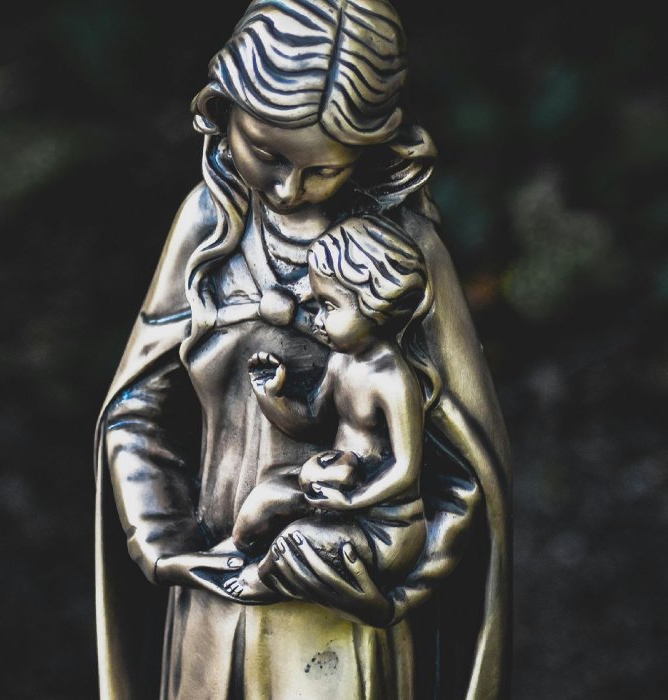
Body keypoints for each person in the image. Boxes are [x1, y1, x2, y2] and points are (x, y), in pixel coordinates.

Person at [94, 1, 511, 698]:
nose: (289, 189)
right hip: (215, 594)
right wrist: (168, 545)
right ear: (222, 111)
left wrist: (392, 592)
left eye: (322, 170)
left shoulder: (403, 253)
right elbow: (137, 409)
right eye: (267, 154)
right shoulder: (206, 226)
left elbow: (462, 468)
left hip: (344, 614)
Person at [222, 216, 434, 601]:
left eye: (328, 306)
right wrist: (272, 396)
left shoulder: (393, 380)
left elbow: (406, 469)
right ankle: (234, 550)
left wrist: (354, 500)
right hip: (333, 494)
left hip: (383, 523)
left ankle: (263, 576)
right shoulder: (341, 360)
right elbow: (312, 421)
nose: (317, 320)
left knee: (298, 539)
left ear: (374, 306)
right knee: (267, 499)